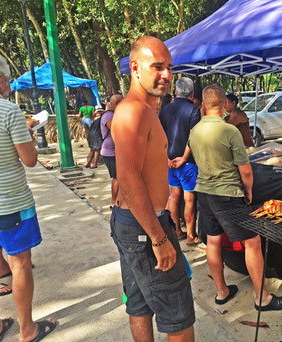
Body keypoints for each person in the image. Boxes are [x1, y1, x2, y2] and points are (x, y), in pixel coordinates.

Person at [111, 37, 195, 341]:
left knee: (139, 305)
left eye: (170, 68)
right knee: (178, 316)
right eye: (157, 67)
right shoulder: (133, 111)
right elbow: (129, 177)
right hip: (145, 226)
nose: (167, 75)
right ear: (135, 68)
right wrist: (159, 239)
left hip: (132, 223)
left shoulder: (144, 109)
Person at [188, 84, 282, 311]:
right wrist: (249, 191)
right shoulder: (229, 131)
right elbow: (245, 170)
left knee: (213, 241)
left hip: (204, 193)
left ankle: (222, 291)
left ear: (203, 105)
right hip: (228, 195)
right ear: (225, 105)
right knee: (252, 242)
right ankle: (262, 298)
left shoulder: (194, 131)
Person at [0, 51, 57, 342]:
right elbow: (29, 159)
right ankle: (27, 329)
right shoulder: (8, 111)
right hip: (10, 204)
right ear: (2, 82)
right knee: (19, 264)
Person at [159, 77, 201, 245]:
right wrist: (184, 158)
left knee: (174, 196)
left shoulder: (165, 110)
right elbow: (193, 137)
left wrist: (167, 158)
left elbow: (160, 137)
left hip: (169, 162)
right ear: (192, 94)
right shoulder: (193, 110)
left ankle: (176, 231)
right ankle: (191, 235)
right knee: (189, 199)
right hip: (187, 162)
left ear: (176, 92)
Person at [100, 94, 123, 206]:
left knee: (121, 176)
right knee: (117, 177)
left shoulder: (116, 114)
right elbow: (116, 130)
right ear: (117, 103)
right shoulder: (108, 116)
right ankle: (114, 202)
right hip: (110, 152)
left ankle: (119, 200)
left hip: (116, 151)